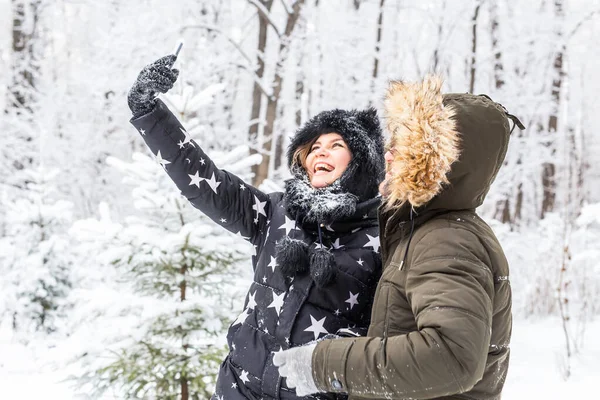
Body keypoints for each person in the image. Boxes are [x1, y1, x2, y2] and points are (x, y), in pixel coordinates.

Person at [127, 54, 386, 399]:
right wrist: (149, 112)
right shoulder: (276, 212)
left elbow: (390, 337)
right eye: (314, 147)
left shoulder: (383, 238)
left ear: (362, 163)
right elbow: (205, 182)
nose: (320, 153)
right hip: (238, 389)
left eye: (336, 145)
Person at [274, 75, 523, 399]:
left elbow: (452, 355)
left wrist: (321, 364)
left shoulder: (446, 239)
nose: (389, 156)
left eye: (405, 148)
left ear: (437, 164)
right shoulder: (431, 229)